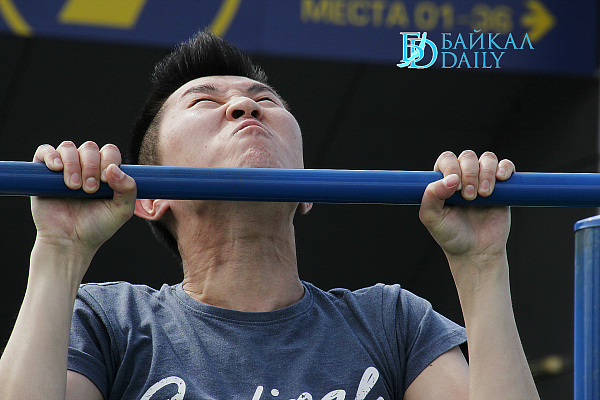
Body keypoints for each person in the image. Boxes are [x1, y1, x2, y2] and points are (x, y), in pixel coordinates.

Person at [0, 30, 539, 400]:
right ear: (150, 198)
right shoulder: (109, 322)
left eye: (267, 101)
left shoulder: (391, 321)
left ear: (306, 190)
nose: (246, 107)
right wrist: (58, 253)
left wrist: (482, 264)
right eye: (204, 102)